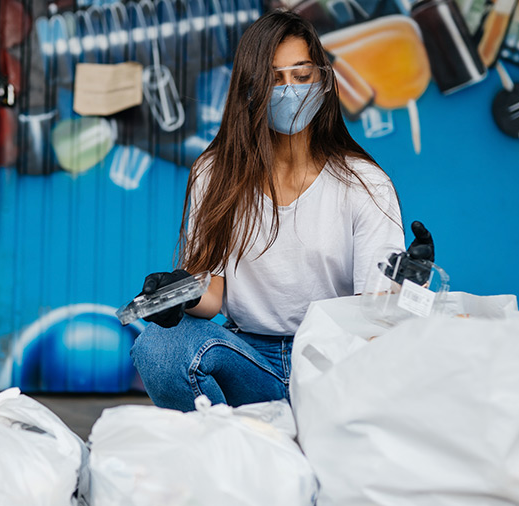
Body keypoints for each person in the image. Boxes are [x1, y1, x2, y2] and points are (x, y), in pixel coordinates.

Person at [130, 9, 434, 412]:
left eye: (301, 75)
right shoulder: (216, 172)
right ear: (250, 88)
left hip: (333, 363)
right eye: (274, 78)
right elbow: (212, 294)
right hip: (249, 361)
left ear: (323, 81)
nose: (289, 90)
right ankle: (229, 452)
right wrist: (178, 295)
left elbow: (373, 313)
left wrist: (406, 286)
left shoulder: (364, 183)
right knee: (157, 347)